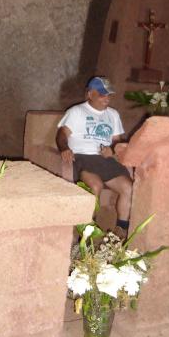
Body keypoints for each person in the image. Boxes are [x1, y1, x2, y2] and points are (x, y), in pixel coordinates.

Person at [56, 76, 133, 238]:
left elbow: (117, 141)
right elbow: (62, 134)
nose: (106, 98)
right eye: (102, 94)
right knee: (95, 186)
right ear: (90, 94)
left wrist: (112, 150)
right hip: (83, 158)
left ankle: (121, 230)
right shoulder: (77, 111)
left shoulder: (113, 114)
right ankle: (87, 233)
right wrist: (64, 148)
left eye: (109, 95)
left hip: (106, 160)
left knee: (128, 188)